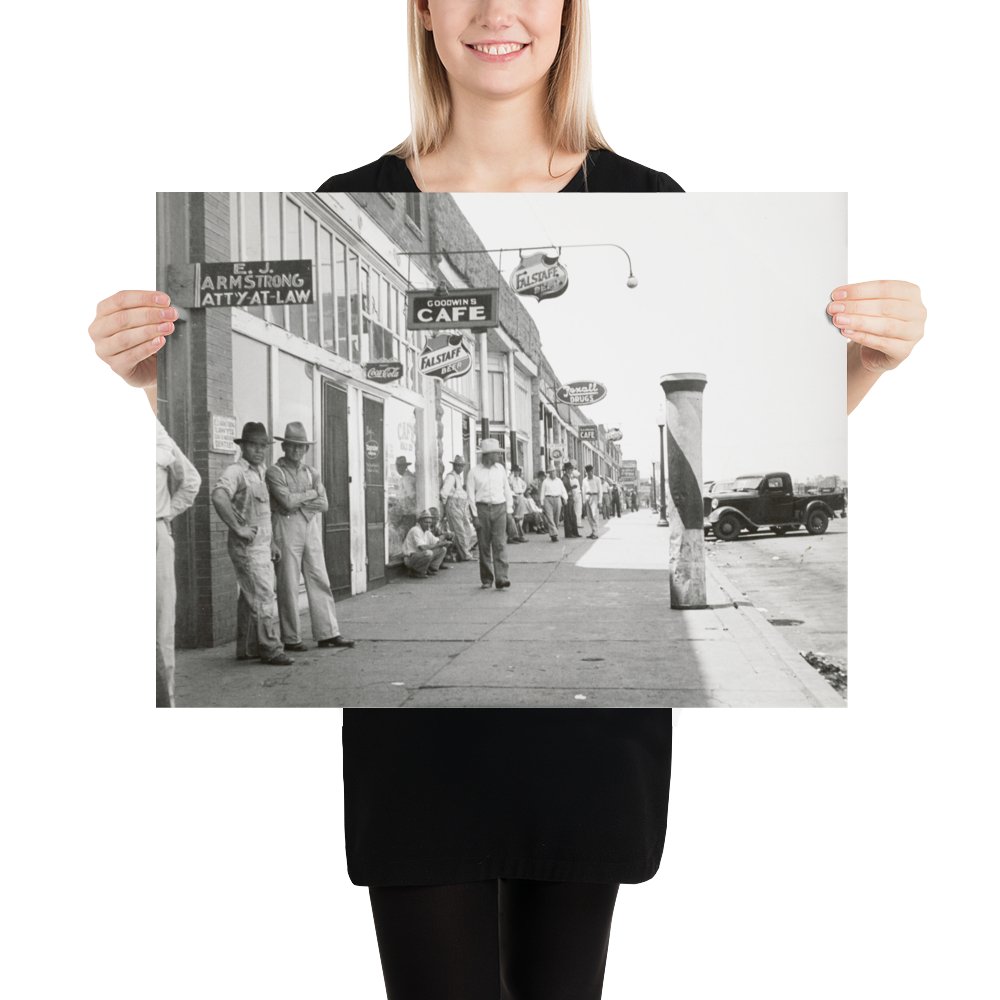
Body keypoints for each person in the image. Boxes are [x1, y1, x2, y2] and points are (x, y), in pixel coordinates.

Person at [88, 1, 925, 995]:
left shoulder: (645, 195)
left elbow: (794, 404)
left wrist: (866, 368)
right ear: (425, 14)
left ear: (570, 16)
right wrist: (146, 369)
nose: (497, 12)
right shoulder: (345, 195)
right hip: (418, 755)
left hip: (591, 745)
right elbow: (189, 383)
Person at [265, 422, 355, 652]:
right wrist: (311, 494)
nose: (296, 451)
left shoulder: (311, 471)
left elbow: (324, 504)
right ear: (284, 447)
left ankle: (328, 633)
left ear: (306, 449)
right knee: (288, 582)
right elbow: (284, 502)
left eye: (301, 447)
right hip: (285, 527)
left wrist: (300, 502)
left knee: (319, 576)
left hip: (309, 525)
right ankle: (291, 637)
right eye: (292, 446)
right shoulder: (275, 472)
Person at [211, 422, 293, 667]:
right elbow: (218, 495)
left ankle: (247, 649)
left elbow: (263, 513)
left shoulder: (260, 471)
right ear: (243, 446)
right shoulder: (236, 471)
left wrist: (271, 545)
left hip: (261, 546)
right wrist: (238, 528)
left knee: (250, 596)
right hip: (246, 547)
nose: (258, 450)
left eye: (262, 446)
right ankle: (271, 649)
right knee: (263, 595)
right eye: (253, 445)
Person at [156, 418, 201, 708]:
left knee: (161, 624)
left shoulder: (155, 432)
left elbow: (191, 480)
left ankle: (165, 702)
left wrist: (165, 515)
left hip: (153, 532)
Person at [467, 438, 513, 590]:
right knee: (484, 545)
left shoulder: (500, 469)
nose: (498, 457)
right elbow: (471, 496)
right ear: (487, 455)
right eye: (496, 454)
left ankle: (502, 577)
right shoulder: (474, 472)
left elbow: (506, 490)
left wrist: (509, 511)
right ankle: (487, 578)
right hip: (482, 509)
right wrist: (474, 516)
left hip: (499, 507)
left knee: (500, 544)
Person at [439, 454, 475, 561]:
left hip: (461, 506)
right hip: (454, 505)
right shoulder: (451, 477)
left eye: (461, 466)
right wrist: (447, 507)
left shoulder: (458, 477)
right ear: (454, 465)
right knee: (460, 531)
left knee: (468, 529)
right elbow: (444, 493)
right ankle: (464, 554)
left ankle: (463, 551)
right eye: (458, 465)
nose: (460, 468)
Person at [402, 509, 450, 578]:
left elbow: (437, 541)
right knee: (428, 553)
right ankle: (416, 571)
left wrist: (445, 542)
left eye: (429, 522)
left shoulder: (427, 531)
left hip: (420, 556)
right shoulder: (415, 530)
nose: (428, 524)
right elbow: (422, 547)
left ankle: (430, 568)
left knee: (442, 549)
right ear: (420, 522)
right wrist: (438, 544)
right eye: (426, 522)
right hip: (410, 558)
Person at [538, 465, 568, 542]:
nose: (552, 473)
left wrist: (565, 498)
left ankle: (553, 535)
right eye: (551, 472)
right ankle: (554, 533)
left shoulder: (559, 481)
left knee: (556, 518)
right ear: (548, 473)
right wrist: (542, 502)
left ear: (556, 472)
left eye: (553, 471)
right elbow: (542, 492)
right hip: (548, 499)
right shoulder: (545, 481)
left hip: (557, 498)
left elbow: (563, 490)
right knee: (550, 517)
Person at [508, 464, 528, 542]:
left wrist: (522, 491)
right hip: (514, 496)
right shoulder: (510, 479)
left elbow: (525, 485)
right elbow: (509, 488)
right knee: (516, 517)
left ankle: (518, 535)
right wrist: (514, 494)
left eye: (518, 471)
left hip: (520, 495)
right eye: (515, 471)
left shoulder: (519, 479)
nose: (517, 473)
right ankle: (516, 535)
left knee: (520, 517)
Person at [560, 461, 581, 538]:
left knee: (572, 515)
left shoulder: (567, 477)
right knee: (568, 516)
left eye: (571, 469)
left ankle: (574, 532)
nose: (571, 471)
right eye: (570, 469)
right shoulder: (565, 478)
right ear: (567, 470)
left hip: (570, 498)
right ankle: (569, 533)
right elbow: (565, 488)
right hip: (567, 498)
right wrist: (572, 487)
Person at [582, 463, 602, 540]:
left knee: (594, 515)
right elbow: (583, 490)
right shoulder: (584, 480)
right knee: (589, 517)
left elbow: (600, 490)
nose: (588, 473)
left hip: (594, 496)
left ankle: (596, 533)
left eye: (590, 472)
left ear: (592, 471)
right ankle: (593, 531)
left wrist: (600, 501)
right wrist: (583, 500)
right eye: (587, 472)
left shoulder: (597, 479)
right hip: (587, 497)